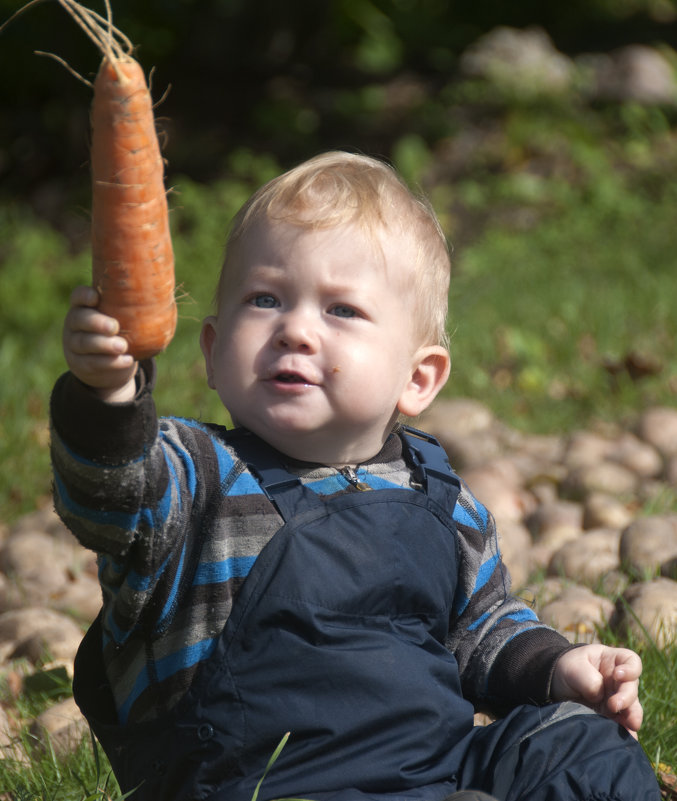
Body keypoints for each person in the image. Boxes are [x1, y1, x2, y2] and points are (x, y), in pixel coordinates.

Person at [51, 151, 660, 801]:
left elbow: (482, 628)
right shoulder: (193, 478)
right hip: (266, 786)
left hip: (434, 769)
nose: (295, 330)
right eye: (264, 299)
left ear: (417, 377)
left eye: (340, 310)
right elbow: (110, 489)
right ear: (211, 349)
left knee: (584, 750)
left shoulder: (440, 500)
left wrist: (555, 665)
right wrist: (108, 395)